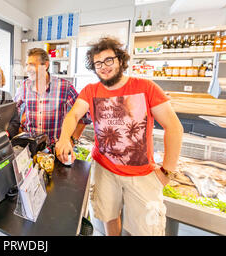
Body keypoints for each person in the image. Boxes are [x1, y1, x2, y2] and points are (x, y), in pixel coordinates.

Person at [55, 37, 183, 236]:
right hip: (104, 169)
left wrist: (167, 171)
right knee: (108, 217)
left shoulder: (146, 87)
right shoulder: (91, 90)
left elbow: (174, 127)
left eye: (109, 60)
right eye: (98, 63)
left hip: (142, 174)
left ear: (121, 60)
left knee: (147, 231)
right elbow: (73, 114)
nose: (103, 67)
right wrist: (64, 138)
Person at [14, 47, 90, 145]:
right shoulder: (24, 86)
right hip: (29, 147)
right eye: (27, 65)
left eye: (32, 65)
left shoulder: (65, 86)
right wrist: (19, 128)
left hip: (55, 149)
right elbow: (14, 111)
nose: (28, 69)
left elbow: (84, 116)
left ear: (45, 65)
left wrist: (72, 140)